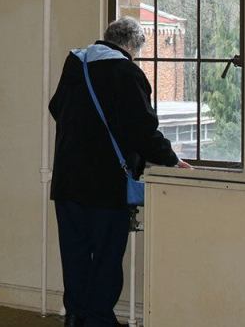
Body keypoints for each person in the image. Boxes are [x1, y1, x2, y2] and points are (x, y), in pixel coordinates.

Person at [49, 16, 191, 327]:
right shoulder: (127, 72)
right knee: (107, 255)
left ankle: (75, 314)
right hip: (106, 183)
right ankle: (98, 318)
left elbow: (56, 107)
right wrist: (170, 160)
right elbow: (143, 130)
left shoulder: (76, 63)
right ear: (132, 46)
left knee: (74, 252)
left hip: (67, 180)